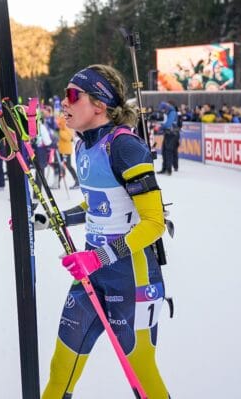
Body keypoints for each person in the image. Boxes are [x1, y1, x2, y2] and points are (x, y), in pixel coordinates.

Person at [36, 64, 170, 399]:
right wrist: (52, 219)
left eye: (73, 95)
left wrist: (98, 258)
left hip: (132, 278)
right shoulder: (83, 146)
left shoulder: (125, 147)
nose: (64, 103)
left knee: (143, 376)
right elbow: (98, 204)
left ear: (99, 104)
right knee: (60, 370)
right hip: (91, 275)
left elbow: (153, 223)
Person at [56, 115, 79, 188]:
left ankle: (77, 181)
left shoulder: (67, 127)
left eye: (60, 123)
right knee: (60, 166)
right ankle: (57, 182)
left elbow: (68, 137)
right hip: (61, 149)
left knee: (68, 166)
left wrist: (60, 131)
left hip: (66, 150)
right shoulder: (62, 127)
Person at [157, 101, 178, 175]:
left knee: (169, 151)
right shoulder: (168, 112)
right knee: (164, 151)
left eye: (163, 110)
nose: (163, 111)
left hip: (172, 135)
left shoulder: (172, 112)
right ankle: (164, 168)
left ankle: (169, 170)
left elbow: (168, 124)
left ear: (166, 108)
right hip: (167, 134)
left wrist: (161, 127)